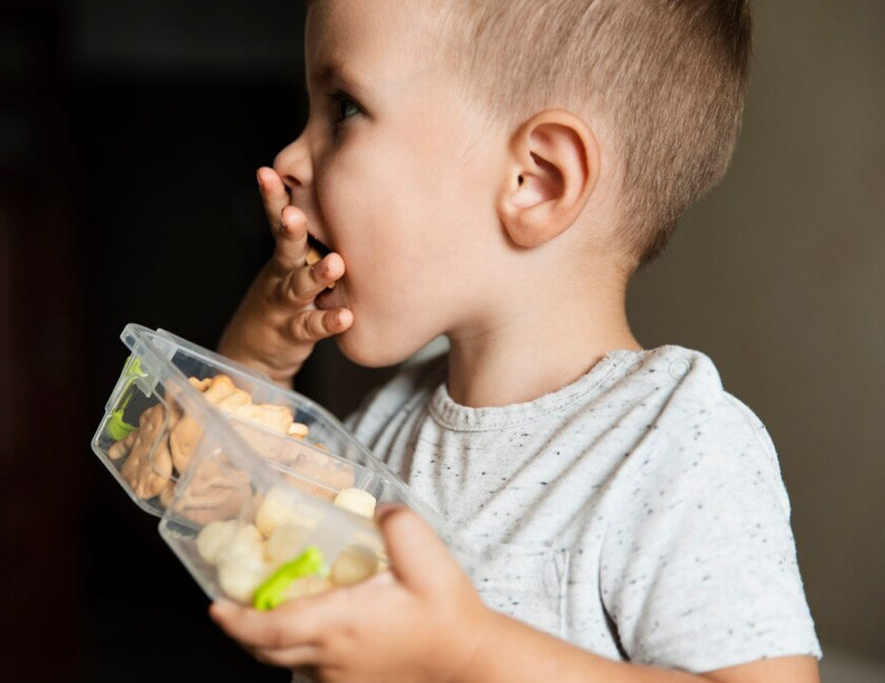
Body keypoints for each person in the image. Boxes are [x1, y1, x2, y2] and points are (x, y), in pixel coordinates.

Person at [209, 0, 821, 681]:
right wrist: (259, 355)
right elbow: (222, 510)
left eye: (345, 108)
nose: (290, 157)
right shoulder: (387, 424)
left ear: (536, 180)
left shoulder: (674, 448)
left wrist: (462, 655)